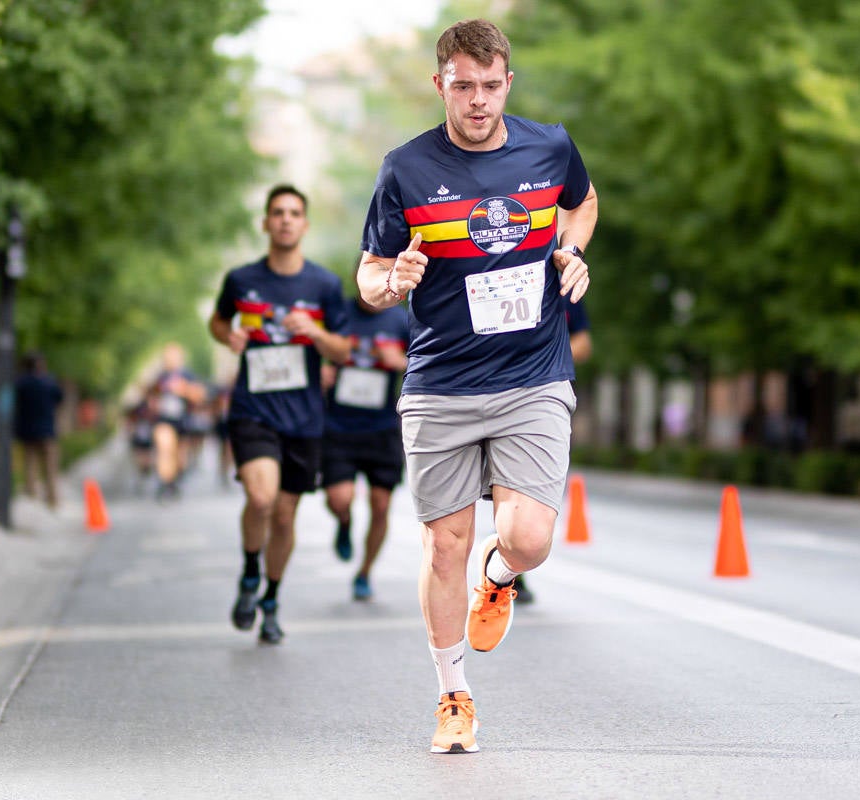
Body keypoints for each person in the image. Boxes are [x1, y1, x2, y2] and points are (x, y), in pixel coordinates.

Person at [356, 19, 596, 754]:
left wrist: (570, 249)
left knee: (529, 538)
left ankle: (502, 574)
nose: (479, 101)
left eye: (491, 86)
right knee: (443, 544)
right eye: (464, 87)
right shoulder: (404, 169)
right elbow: (367, 274)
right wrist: (391, 280)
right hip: (441, 384)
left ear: (507, 83)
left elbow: (582, 202)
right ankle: (452, 694)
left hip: (533, 373)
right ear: (442, 85)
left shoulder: (549, 145)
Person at [209, 184, 351, 645]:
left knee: (286, 516)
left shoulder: (325, 285)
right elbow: (218, 319)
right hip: (253, 409)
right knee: (263, 497)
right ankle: (250, 570)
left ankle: (270, 597)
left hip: (304, 417)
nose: (286, 219)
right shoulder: (240, 279)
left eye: (294, 213)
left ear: (304, 225)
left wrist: (314, 331)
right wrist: (226, 336)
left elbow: (345, 350)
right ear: (266, 223)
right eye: (277, 212)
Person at [321, 293, 411, 601]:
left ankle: (365, 572)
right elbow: (312, 347)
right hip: (338, 426)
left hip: (382, 428)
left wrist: (399, 362)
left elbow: (428, 362)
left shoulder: (401, 318)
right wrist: (321, 370)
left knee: (381, 504)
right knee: (339, 499)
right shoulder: (338, 313)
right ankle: (344, 522)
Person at [513, 293, 591, 605]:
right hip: (486, 390)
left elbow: (584, 342)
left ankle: (513, 571)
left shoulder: (562, 284)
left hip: (541, 399)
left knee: (523, 489)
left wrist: (546, 358)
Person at [148, 343, 205, 501]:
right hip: (164, 419)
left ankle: (174, 480)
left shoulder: (187, 375)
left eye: (173, 356)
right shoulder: (161, 376)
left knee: (180, 459)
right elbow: (151, 394)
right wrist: (153, 402)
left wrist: (183, 389)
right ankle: (165, 483)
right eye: (167, 356)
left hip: (183, 420)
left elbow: (201, 395)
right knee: (164, 449)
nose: (169, 360)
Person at [13, 351, 64, 508]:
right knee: (50, 467)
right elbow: (60, 398)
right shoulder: (49, 382)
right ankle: (52, 499)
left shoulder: (21, 383)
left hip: (27, 430)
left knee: (30, 464)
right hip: (47, 430)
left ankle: (31, 495)